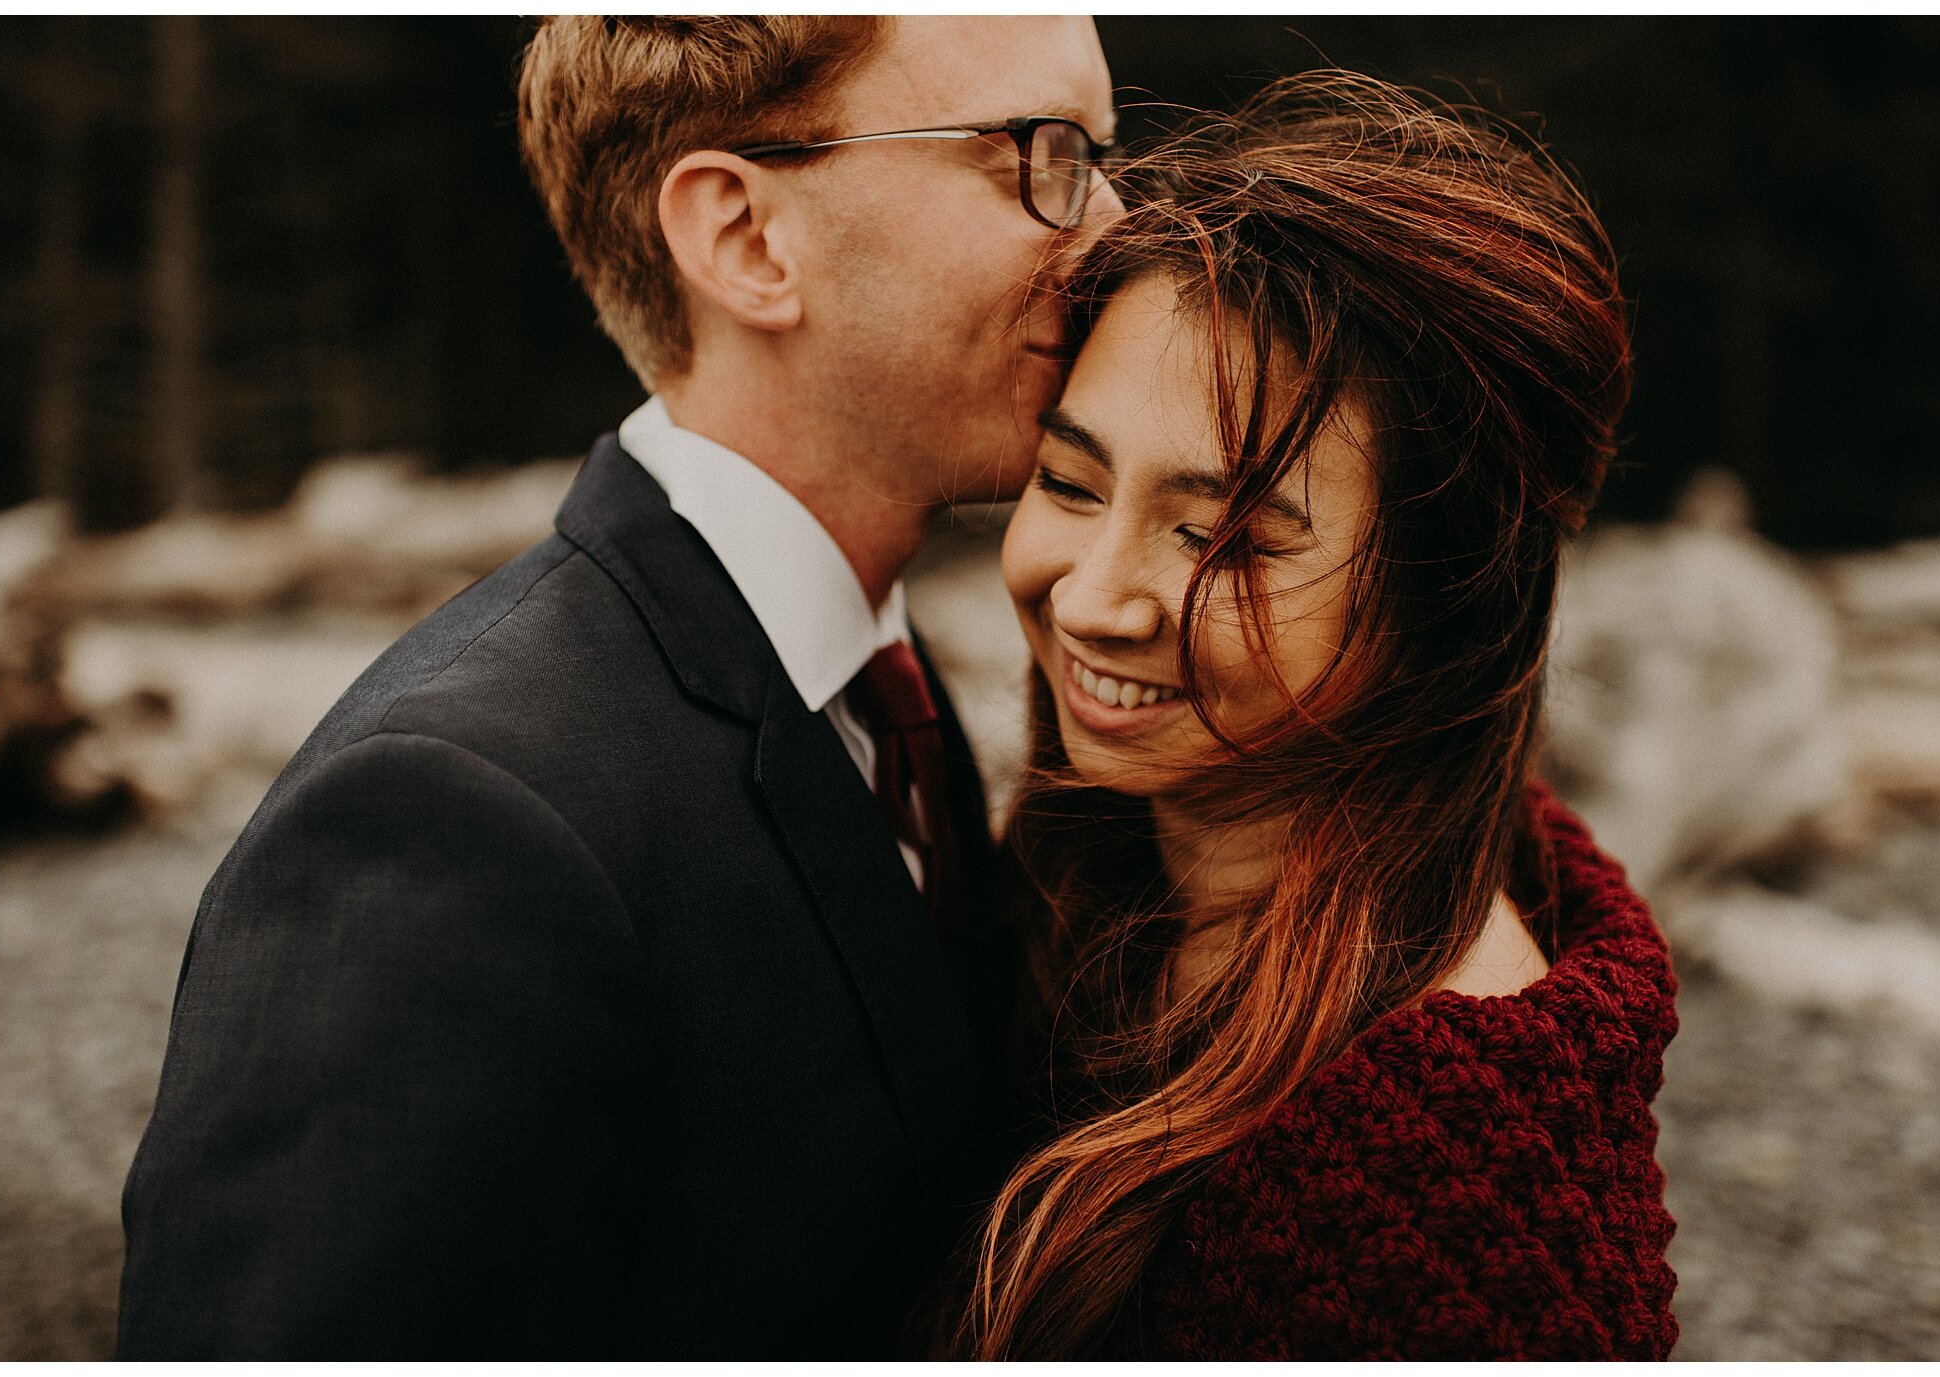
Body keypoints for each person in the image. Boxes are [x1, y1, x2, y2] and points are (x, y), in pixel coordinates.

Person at [115, 16, 1119, 1359]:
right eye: (1039, 156)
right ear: (748, 239)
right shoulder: (454, 821)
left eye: (1107, 155)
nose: (1111, 226)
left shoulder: (879, 685)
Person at [943, 71, 1678, 1359]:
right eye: (1069, 480)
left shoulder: (1447, 1165)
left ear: (1441, 600)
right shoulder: (1108, 856)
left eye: (1222, 535)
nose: (1097, 600)